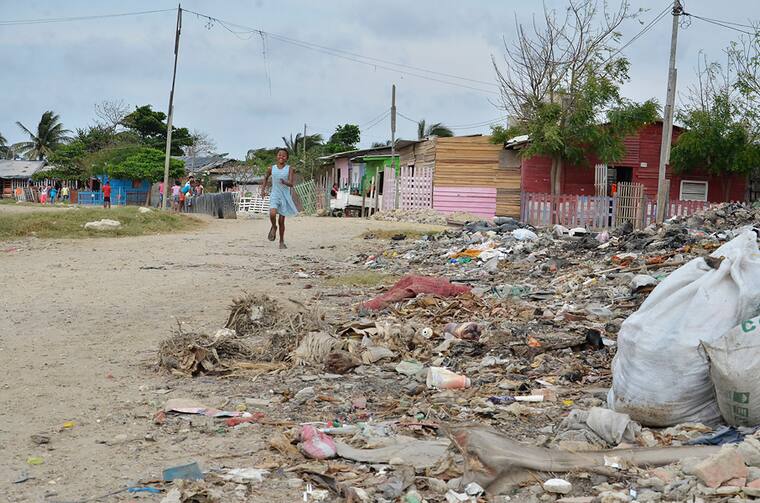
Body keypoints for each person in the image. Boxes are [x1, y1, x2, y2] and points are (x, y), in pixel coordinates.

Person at [262, 149, 298, 249]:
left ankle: (281, 242)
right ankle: (274, 226)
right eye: (279, 155)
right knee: (272, 213)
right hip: (275, 194)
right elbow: (265, 178)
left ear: (287, 158)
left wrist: (285, 182)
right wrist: (262, 190)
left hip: (284, 196)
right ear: (276, 156)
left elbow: (291, 183)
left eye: (284, 156)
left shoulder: (289, 169)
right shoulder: (271, 168)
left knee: (281, 221)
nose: (281, 157)